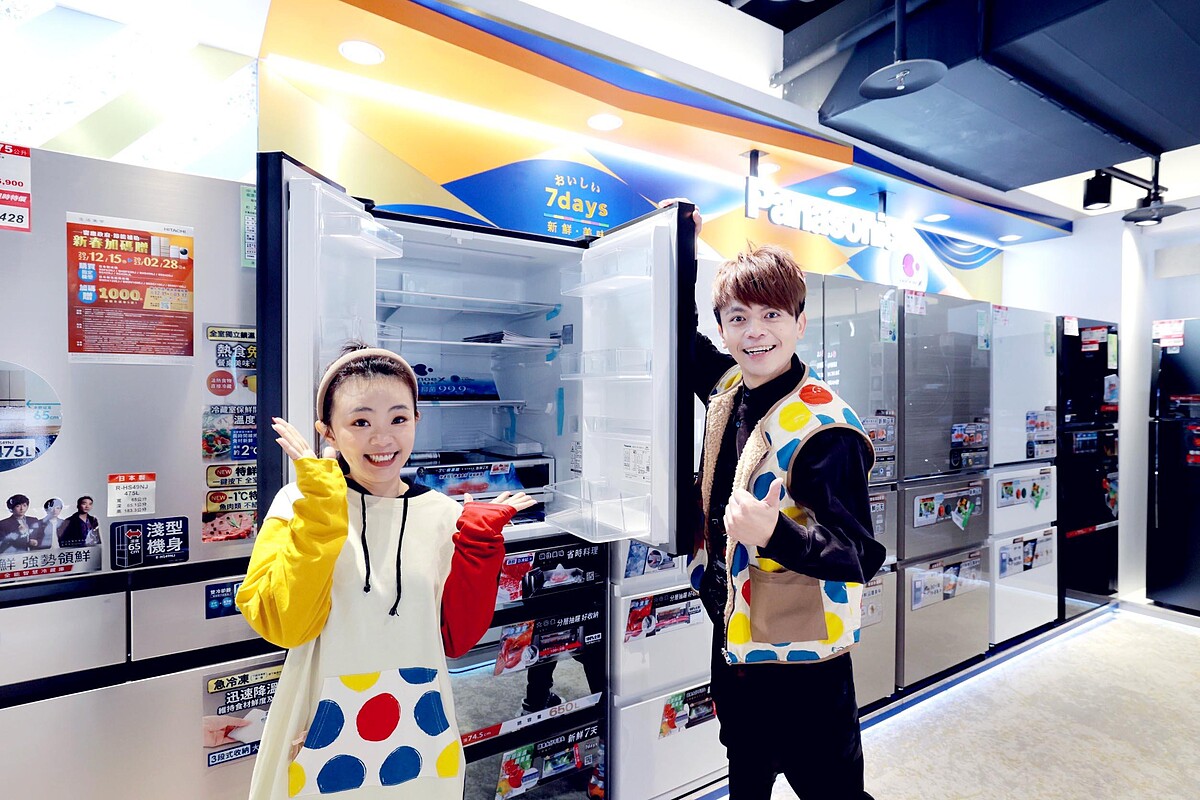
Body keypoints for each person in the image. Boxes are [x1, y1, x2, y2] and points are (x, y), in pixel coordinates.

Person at [236, 342, 534, 800]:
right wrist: (321, 512)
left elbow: (456, 639)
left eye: (398, 419)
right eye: (360, 422)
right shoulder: (297, 504)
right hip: (316, 727)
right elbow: (285, 625)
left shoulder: (441, 514)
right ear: (327, 432)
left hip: (422, 726)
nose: (382, 440)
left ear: (417, 420)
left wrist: (479, 545)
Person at [681, 217, 886, 799]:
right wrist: (680, 243)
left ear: (799, 322)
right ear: (723, 328)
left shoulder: (826, 429)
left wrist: (774, 532)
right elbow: (682, 340)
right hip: (736, 640)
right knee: (746, 777)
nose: (755, 332)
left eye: (771, 314)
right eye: (738, 317)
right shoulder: (730, 389)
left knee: (832, 791)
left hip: (805, 665)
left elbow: (861, 555)